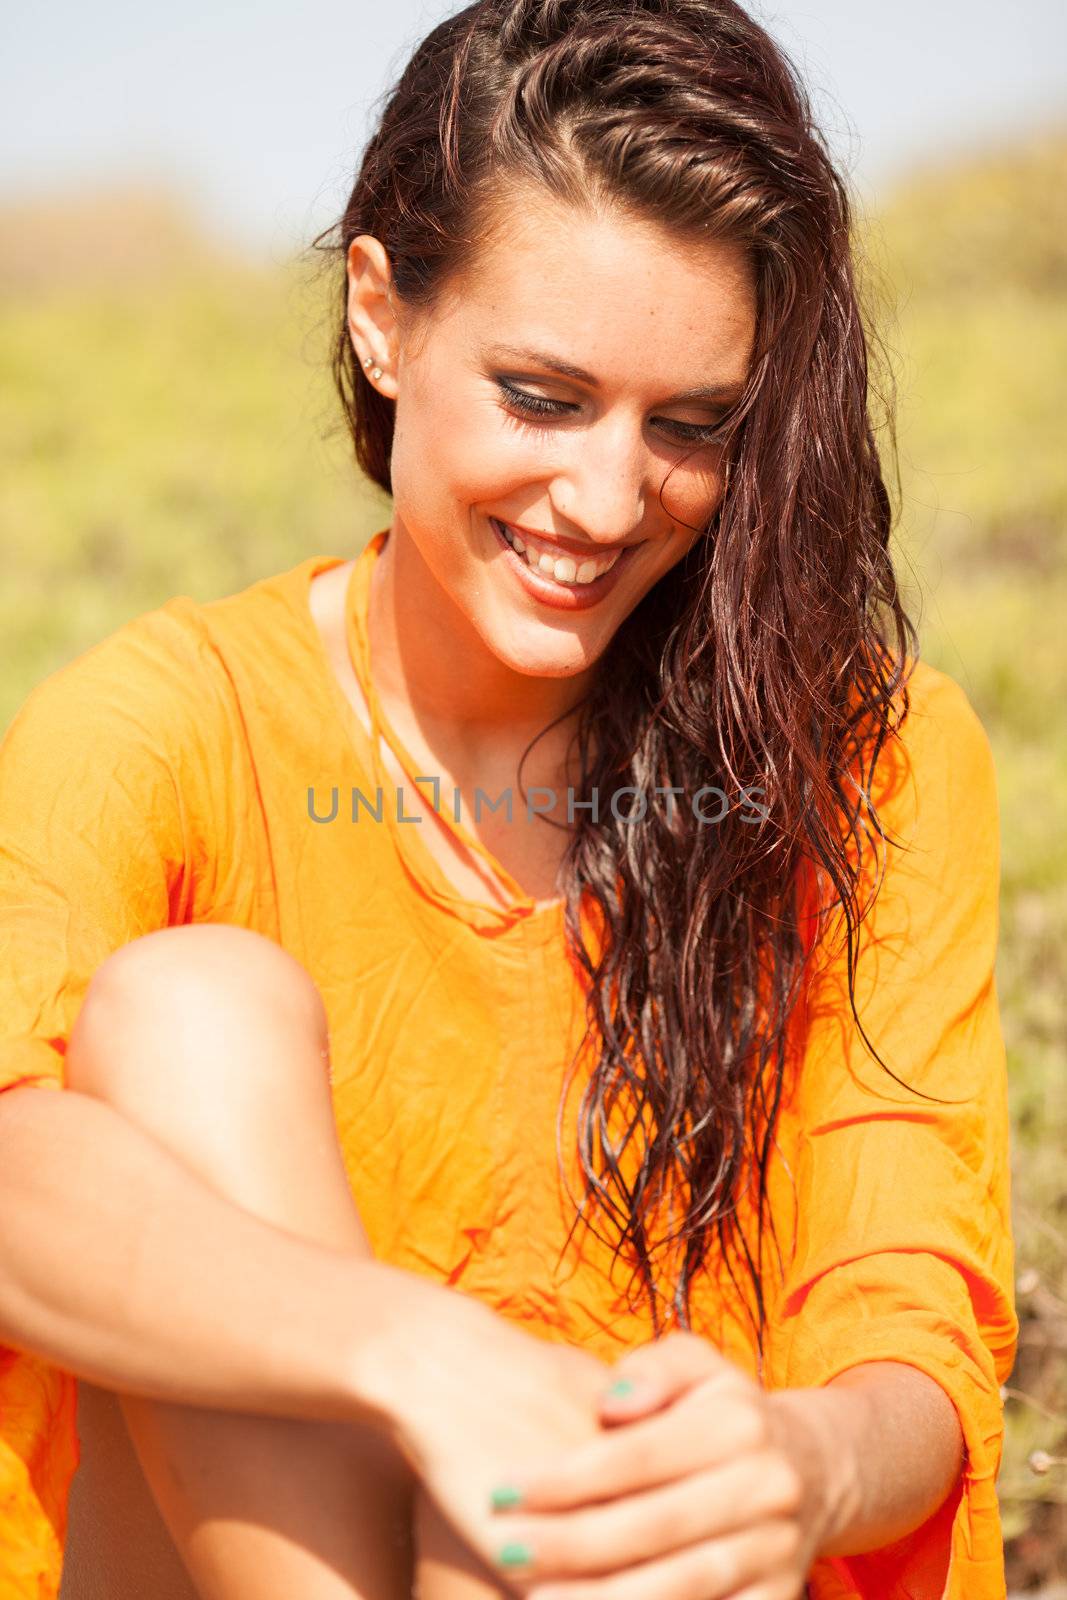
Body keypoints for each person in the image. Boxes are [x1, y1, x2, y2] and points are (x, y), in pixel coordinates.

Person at [0, 0, 1018, 1597]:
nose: (610, 501)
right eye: (544, 397)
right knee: (189, 1010)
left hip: (632, 1570)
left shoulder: (863, 762)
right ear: (382, 317)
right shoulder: (169, 722)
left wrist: (805, 1463)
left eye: (692, 427)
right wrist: (413, 1354)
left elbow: (912, 1314)